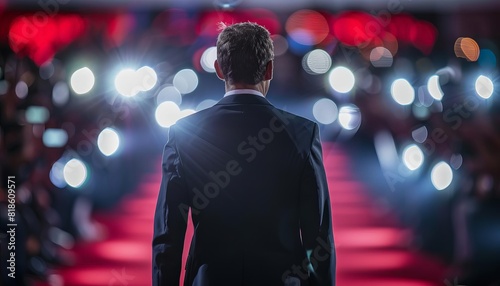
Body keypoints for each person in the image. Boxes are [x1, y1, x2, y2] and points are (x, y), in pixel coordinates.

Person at [152, 22, 335, 286]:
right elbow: (318, 235)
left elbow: (168, 234)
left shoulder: (183, 133)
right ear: (269, 69)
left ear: (218, 68)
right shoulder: (303, 133)